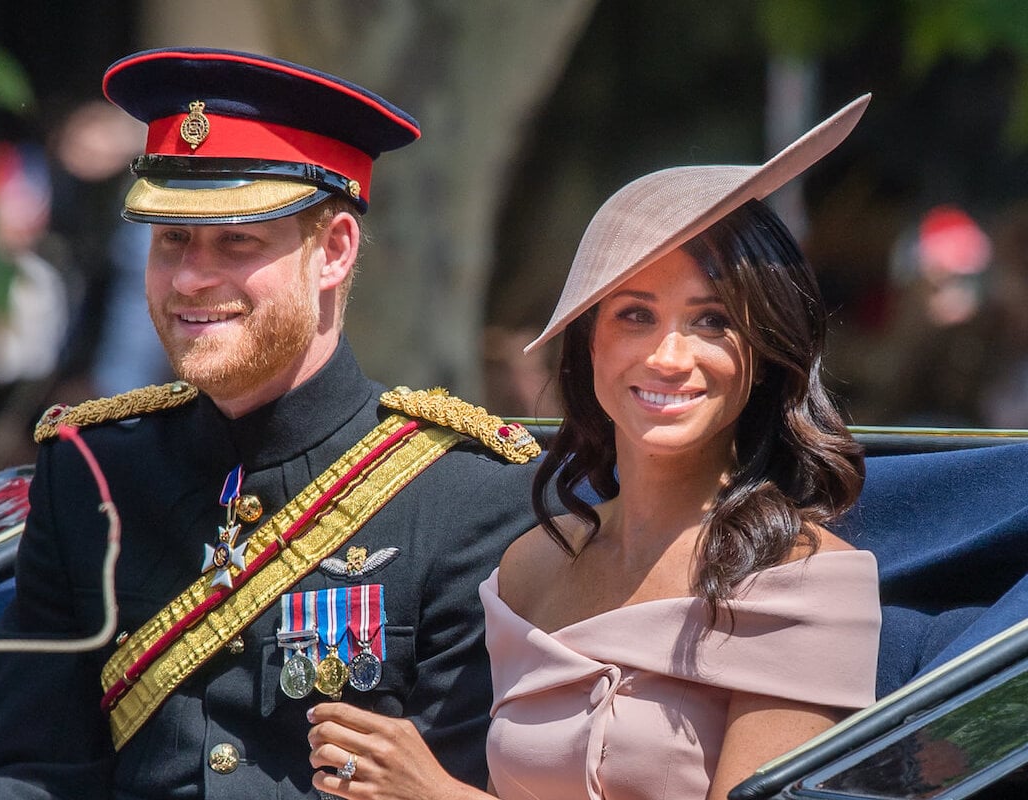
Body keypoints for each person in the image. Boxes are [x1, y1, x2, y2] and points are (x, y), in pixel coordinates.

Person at [0, 47, 544, 799]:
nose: (191, 279)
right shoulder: (91, 472)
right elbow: (26, 771)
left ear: (333, 251)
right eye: (171, 240)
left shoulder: (468, 494)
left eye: (236, 241)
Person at [305, 96, 882, 800]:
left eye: (713, 321)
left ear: (764, 352)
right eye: (635, 315)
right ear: (590, 345)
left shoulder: (807, 582)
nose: (670, 356)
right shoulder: (530, 567)